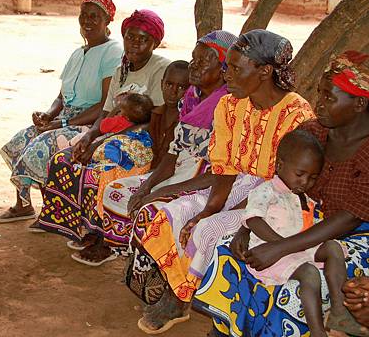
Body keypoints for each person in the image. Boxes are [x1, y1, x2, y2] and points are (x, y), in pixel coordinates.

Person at [127, 29, 315, 334]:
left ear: (264, 72)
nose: (226, 75)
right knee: (167, 215)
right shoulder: (230, 105)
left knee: (210, 230)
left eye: (236, 69)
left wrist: (220, 217)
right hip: (234, 184)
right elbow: (224, 166)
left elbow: (281, 182)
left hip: (275, 197)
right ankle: (182, 293)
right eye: (227, 66)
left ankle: (202, 305)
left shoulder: (296, 113)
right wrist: (209, 208)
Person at [194, 51, 369, 337]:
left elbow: (348, 219)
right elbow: (275, 186)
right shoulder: (313, 133)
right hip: (293, 220)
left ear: (359, 103)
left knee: (292, 290)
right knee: (229, 250)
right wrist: (245, 229)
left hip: (351, 237)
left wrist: (282, 247)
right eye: (319, 94)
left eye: (328, 97)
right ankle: (227, 329)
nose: (319, 104)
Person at [35, 9, 171, 266]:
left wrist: (100, 141)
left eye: (143, 40)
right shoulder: (121, 69)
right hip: (112, 134)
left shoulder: (160, 69)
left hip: (143, 140)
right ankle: (89, 228)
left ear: (154, 43)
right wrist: (90, 137)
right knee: (66, 159)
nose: (135, 44)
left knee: (102, 167)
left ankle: (109, 241)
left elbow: (154, 120)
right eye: (130, 37)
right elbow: (106, 112)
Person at [101, 30, 237, 253]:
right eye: (194, 58)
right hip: (180, 173)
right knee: (116, 191)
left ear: (223, 70)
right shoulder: (191, 99)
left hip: (205, 185)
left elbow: (218, 174)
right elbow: (174, 153)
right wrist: (147, 186)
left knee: (152, 211)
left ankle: (152, 267)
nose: (194, 65)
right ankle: (128, 252)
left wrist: (161, 192)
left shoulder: (228, 108)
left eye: (204, 61)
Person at [0, 0, 123, 223]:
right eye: (84, 15)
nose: (87, 21)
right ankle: (23, 205)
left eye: (95, 17)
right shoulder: (77, 53)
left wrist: (63, 123)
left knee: (39, 146)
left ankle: (53, 212)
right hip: (64, 118)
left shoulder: (112, 52)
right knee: (20, 140)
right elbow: (61, 97)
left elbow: (106, 103)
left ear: (107, 21)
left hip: (89, 123)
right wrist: (48, 115)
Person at [243, 129, 364, 337]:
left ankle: (339, 312)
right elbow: (253, 219)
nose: (305, 182)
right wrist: (281, 246)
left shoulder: (303, 197)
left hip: (296, 249)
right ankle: (317, 331)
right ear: (280, 166)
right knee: (309, 273)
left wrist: (293, 246)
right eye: (300, 174)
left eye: (312, 178)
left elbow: (310, 223)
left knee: (333, 247)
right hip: (270, 253)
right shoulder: (266, 191)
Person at [60, 92, 155, 149]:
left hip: (105, 140)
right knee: (86, 131)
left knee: (82, 137)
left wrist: (115, 110)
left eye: (121, 109)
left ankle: (67, 144)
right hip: (119, 143)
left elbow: (103, 126)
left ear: (126, 115)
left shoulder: (119, 120)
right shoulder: (134, 126)